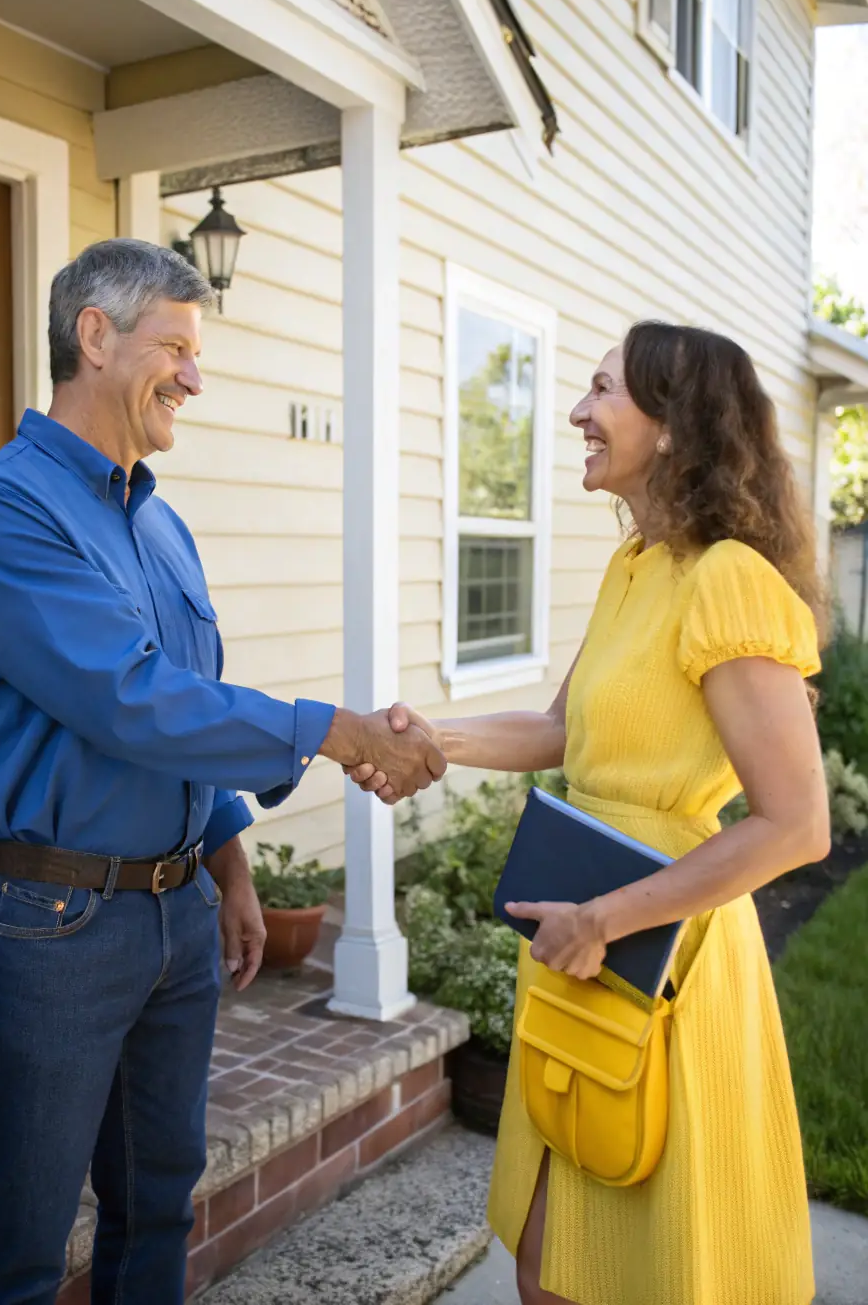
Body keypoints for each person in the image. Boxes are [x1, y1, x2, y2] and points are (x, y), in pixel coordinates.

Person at [0, 238, 446, 1305]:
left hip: (172, 924)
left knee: (159, 1200)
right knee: (25, 1241)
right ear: (94, 336)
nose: (195, 377)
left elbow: (188, 697)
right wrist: (335, 731)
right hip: (48, 923)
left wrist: (229, 866)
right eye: (176, 347)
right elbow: (127, 697)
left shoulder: (161, 524)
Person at [347, 321, 828, 1305]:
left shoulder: (726, 580)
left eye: (602, 392)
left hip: (655, 953)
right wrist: (426, 738)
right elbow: (561, 728)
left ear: (673, 425)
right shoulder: (635, 566)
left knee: (627, 1273)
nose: (576, 412)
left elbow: (795, 824)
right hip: (582, 948)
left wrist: (605, 920)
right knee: (544, 1257)